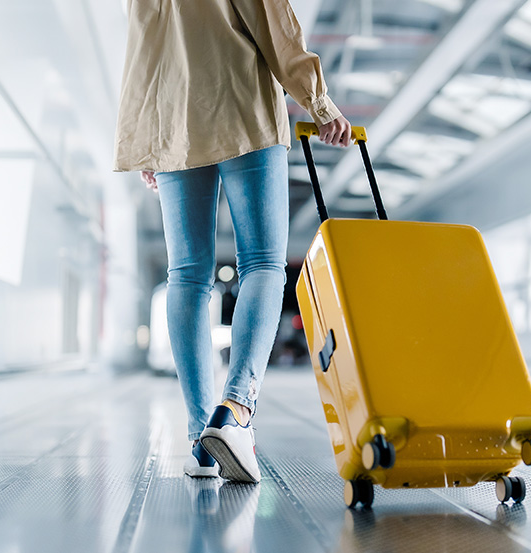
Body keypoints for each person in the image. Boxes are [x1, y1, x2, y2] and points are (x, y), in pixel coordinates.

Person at [112, 0, 352, 483]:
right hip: (245, 108)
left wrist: (146, 137)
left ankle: (201, 440)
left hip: (173, 121)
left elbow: (144, 44)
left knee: (186, 276)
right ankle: (237, 408)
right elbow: (276, 27)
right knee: (263, 263)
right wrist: (320, 104)